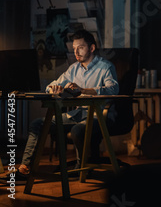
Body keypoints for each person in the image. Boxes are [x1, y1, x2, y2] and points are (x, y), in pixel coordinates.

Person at [16, 29, 119, 179]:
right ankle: (24, 168)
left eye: (80, 48)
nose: (76, 52)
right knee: (38, 124)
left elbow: (113, 89)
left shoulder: (105, 66)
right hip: (78, 113)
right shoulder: (74, 69)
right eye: (74, 48)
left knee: (78, 130)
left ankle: (81, 168)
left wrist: (84, 90)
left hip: (100, 115)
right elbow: (50, 86)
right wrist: (54, 88)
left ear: (91, 48)